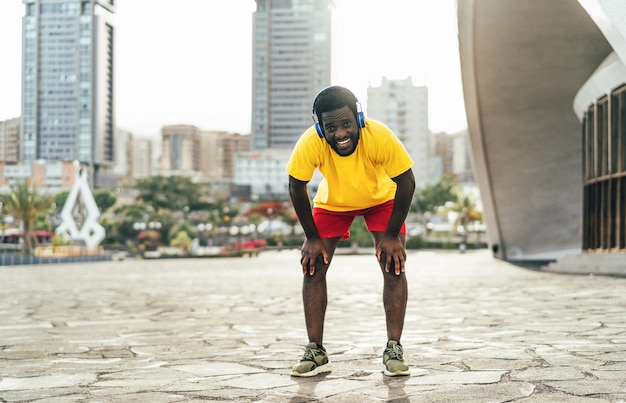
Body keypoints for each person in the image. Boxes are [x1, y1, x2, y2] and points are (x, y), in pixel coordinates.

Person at [286, 86, 416, 377]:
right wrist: (311, 237)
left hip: (381, 199)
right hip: (333, 203)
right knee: (313, 267)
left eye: (346, 124)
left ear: (358, 117)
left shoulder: (379, 136)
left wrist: (393, 235)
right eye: (330, 127)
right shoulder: (310, 143)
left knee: (393, 265)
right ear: (320, 127)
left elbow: (406, 181)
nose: (340, 133)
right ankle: (315, 351)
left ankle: (393, 348)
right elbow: (296, 184)